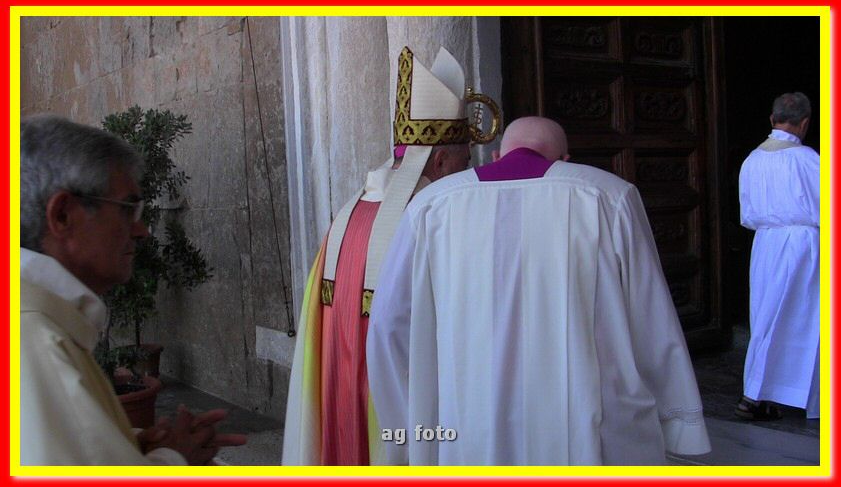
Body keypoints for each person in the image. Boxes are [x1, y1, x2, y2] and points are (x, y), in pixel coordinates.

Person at [366, 116, 711, 465]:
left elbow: (388, 323)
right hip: (586, 420)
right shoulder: (609, 195)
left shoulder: (431, 204)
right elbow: (650, 314)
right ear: (565, 160)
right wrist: (678, 419)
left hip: (469, 418)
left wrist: (407, 428)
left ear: (497, 155)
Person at [282, 46, 499, 466]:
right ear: (439, 160)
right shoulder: (433, 219)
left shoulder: (350, 212)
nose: (468, 172)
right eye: (463, 161)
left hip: (340, 402)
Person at [20, 115, 247, 465]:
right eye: (128, 209)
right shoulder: (38, 346)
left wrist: (132, 446)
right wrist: (173, 457)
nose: (141, 231)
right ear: (63, 215)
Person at [736, 92, 820, 421]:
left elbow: (747, 213)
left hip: (765, 244)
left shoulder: (752, 160)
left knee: (767, 317)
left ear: (772, 120)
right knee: (801, 321)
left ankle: (759, 392)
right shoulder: (807, 160)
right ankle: (766, 394)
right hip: (802, 246)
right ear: (805, 123)